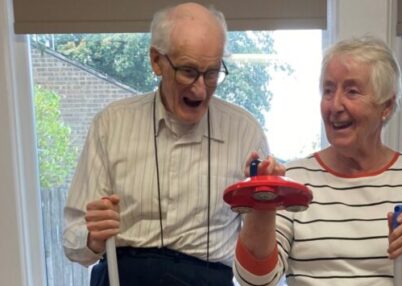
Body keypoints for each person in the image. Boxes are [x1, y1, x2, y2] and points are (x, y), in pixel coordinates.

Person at [63, 3, 269, 286]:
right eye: (188, 71)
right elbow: (73, 241)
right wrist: (92, 238)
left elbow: (261, 262)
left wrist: (265, 205)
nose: (200, 88)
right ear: (156, 61)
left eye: (211, 73)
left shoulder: (246, 132)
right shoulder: (111, 124)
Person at [233, 37, 402, 286]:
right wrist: (263, 203)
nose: (335, 105)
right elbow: (254, 280)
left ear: (386, 106)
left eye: (352, 91)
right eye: (328, 90)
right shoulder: (294, 180)